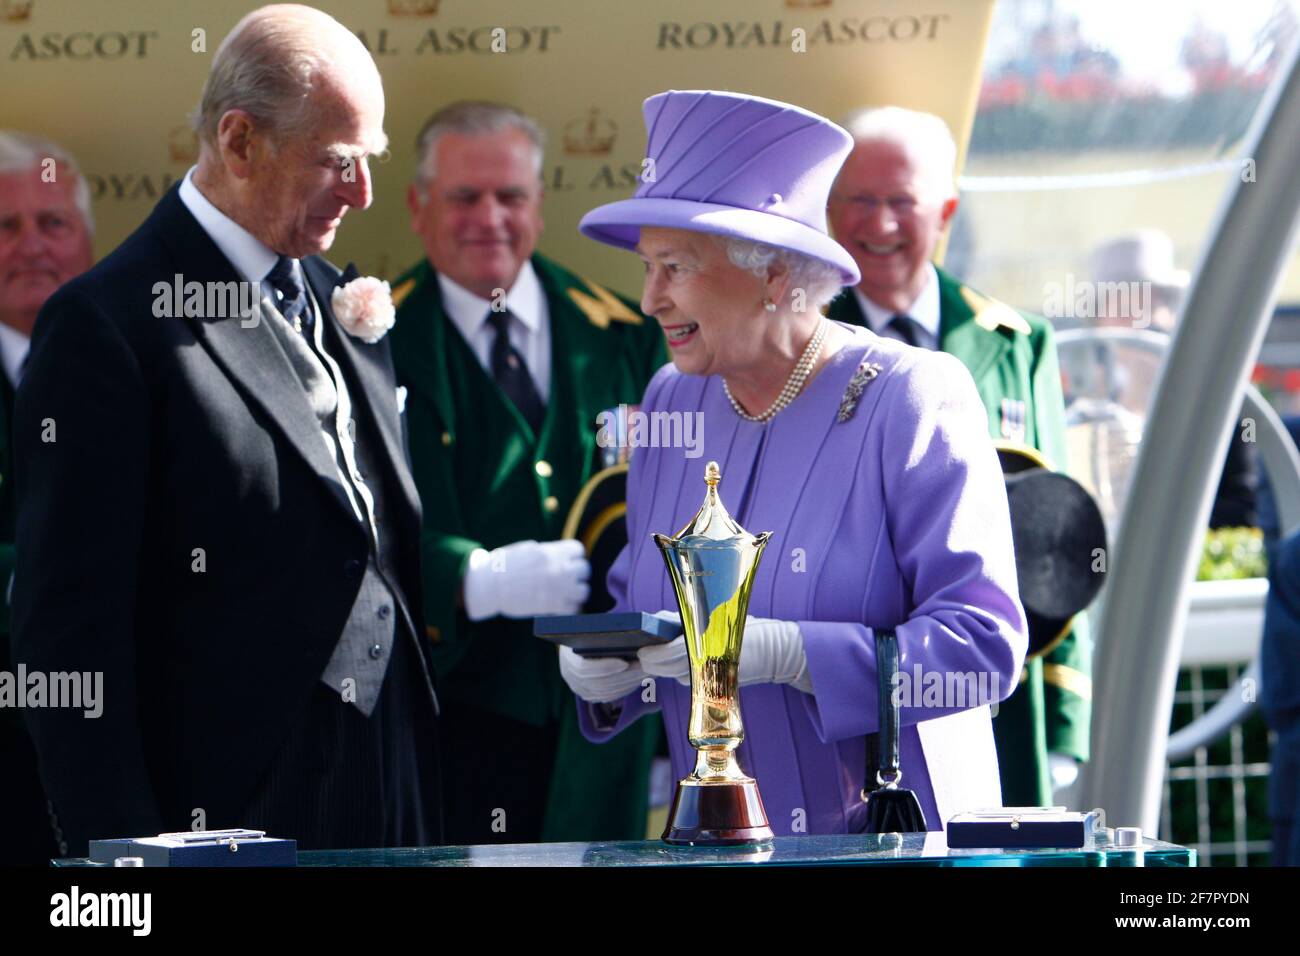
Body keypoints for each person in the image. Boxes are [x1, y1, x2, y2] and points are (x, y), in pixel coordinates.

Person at [11, 4, 441, 856]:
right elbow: (65, 633)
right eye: (336, 161)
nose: (362, 193)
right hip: (222, 809)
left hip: (392, 779)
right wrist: (126, 854)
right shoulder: (109, 324)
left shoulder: (330, 294)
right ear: (239, 142)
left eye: (369, 161)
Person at [561, 89, 1027, 834]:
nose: (650, 299)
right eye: (648, 267)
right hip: (718, 841)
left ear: (776, 276)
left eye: (674, 267)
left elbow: (983, 649)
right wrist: (611, 673)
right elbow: (643, 606)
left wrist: (795, 654)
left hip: (890, 843)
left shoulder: (912, 396)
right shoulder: (671, 403)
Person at [388, 101, 666, 843]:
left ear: (539, 205)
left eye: (510, 196)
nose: (490, 217)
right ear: (418, 206)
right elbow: (348, 527)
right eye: (463, 196)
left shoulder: (623, 335)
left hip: (609, 721)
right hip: (454, 718)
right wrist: (468, 577)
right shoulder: (373, 343)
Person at [825, 105, 1089, 807]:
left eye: (901, 203)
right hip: (869, 702)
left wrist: (1064, 720)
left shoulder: (1016, 340)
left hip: (1006, 692)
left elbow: (1056, 536)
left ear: (944, 212)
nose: (879, 226)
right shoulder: (806, 347)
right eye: (859, 200)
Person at [0, 131, 94, 865]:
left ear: (89, 241)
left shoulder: (147, 360)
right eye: (5, 227)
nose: (30, 245)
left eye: (52, 223)